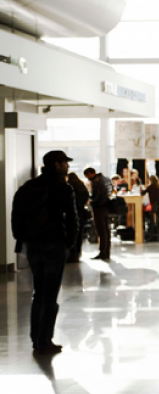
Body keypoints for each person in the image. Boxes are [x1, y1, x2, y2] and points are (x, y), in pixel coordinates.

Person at [12, 150, 78, 355]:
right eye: (65, 163)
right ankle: (45, 341)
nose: (67, 166)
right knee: (50, 294)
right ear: (57, 165)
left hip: (32, 246)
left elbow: (16, 215)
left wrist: (22, 238)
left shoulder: (28, 187)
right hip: (54, 244)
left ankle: (36, 339)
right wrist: (69, 243)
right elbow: (73, 219)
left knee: (38, 292)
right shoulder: (63, 188)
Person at [84, 167, 114, 261]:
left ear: (89, 173)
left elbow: (95, 197)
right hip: (106, 208)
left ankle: (103, 253)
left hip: (99, 209)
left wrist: (90, 201)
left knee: (101, 231)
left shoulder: (96, 182)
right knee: (106, 231)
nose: (87, 178)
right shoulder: (105, 179)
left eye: (87, 176)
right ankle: (106, 252)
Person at [66, 172, 89, 263]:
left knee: (72, 232)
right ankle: (78, 253)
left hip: (73, 212)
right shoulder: (81, 185)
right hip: (82, 212)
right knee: (80, 233)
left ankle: (72, 254)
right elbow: (87, 196)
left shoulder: (69, 186)